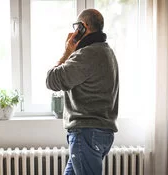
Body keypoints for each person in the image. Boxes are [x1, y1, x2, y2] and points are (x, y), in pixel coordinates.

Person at [46, 8, 119, 175]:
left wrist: (67, 51)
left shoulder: (87, 54)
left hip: (87, 134)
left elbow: (52, 80)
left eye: (76, 27)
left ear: (83, 27)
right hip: (100, 132)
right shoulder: (107, 51)